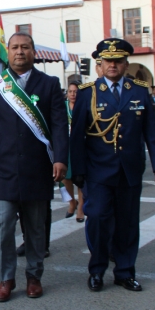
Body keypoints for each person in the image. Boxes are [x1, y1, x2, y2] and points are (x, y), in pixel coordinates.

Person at [70, 38, 155, 292]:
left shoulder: (139, 90)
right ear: (100, 64)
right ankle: (97, 269)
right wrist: (77, 170)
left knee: (127, 223)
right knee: (99, 219)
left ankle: (125, 271)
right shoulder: (87, 93)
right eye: (108, 61)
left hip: (129, 169)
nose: (113, 65)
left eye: (118, 61)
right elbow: (77, 136)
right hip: (99, 170)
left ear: (126, 64)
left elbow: (152, 132)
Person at [0, 33, 68, 301]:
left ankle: (34, 276)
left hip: (38, 168)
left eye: (25, 47)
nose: (20, 52)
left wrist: (61, 158)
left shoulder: (50, 84)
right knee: (4, 224)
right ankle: (7, 278)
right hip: (4, 169)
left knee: (36, 227)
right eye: (15, 47)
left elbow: (59, 126)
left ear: (33, 52)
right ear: (7, 52)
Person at [63, 81, 85, 222]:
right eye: (70, 91)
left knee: (80, 177)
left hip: (81, 145)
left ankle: (81, 207)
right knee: (65, 177)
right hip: (65, 145)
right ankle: (72, 202)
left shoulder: (83, 106)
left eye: (75, 91)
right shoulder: (62, 107)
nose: (73, 94)